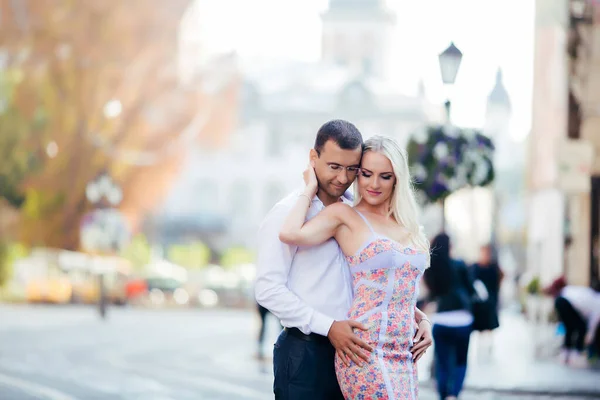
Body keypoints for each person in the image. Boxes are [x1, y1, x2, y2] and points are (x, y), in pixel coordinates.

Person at [276, 135, 431, 399]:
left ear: (397, 179)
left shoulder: (407, 225)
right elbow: (289, 233)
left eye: (385, 176)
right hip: (364, 349)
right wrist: (310, 187)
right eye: (366, 173)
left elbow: (393, 288)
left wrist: (423, 319)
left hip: (404, 354)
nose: (373, 184)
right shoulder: (344, 215)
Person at [423, 233, 476, 400]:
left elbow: (430, 293)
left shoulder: (432, 268)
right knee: (461, 360)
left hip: (442, 321)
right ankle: (454, 394)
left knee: (442, 362)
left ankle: (444, 395)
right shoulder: (459, 265)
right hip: (463, 320)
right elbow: (471, 289)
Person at [544, 276, 600, 368]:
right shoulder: (598, 303)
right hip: (566, 301)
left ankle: (565, 355)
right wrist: (590, 335)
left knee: (570, 329)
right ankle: (575, 356)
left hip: (560, 300)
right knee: (581, 328)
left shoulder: (592, 295)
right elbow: (593, 321)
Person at [471, 244, 504, 359]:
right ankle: (480, 348)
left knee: (490, 326)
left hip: (490, 301)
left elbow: (500, 278)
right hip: (479, 303)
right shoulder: (475, 267)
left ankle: (489, 347)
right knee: (480, 326)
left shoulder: (494, 267)